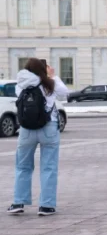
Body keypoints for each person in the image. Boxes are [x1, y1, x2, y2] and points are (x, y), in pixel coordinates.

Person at [8, 59, 69, 216]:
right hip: (48, 127)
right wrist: (53, 76)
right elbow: (64, 93)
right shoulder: (49, 84)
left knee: (22, 166)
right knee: (49, 167)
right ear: (44, 69)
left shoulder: (21, 84)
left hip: (26, 129)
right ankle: (46, 206)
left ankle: (18, 202)